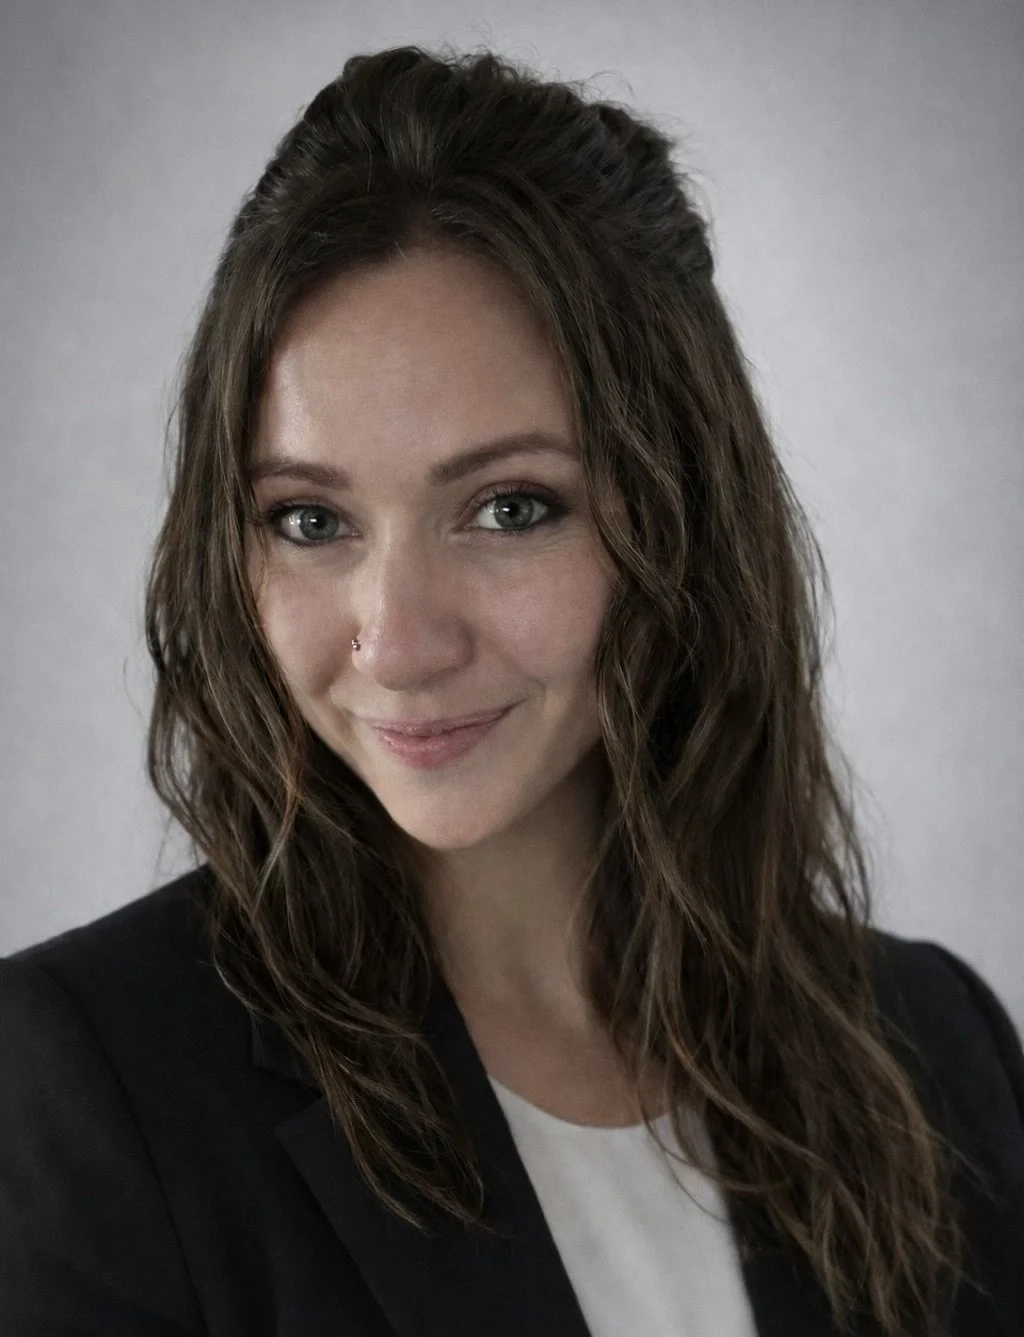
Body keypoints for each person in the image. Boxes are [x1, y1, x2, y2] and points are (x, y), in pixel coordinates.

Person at [0, 43, 1021, 1337]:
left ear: (683, 519)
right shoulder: (88, 1079)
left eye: (510, 508)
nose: (399, 642)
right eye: (310, 520)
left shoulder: (938, 1050)